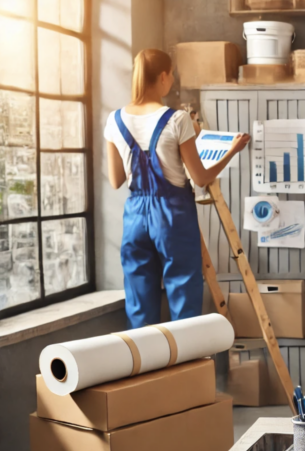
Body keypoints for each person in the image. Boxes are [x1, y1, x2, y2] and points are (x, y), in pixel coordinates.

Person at [105, 49, 249, 329]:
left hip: (135, 216)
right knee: (183, 299)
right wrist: (231, 150)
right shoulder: (177, 119)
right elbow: (200, 177)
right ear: (162, 76)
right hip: (172, 215)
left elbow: (115, 180)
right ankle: (185, 370)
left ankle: (145, 370)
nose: (171, 79)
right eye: (171, 74)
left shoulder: (114, 120)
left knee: (139, 302)